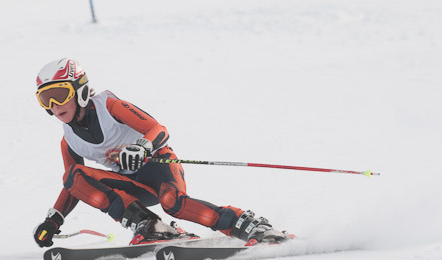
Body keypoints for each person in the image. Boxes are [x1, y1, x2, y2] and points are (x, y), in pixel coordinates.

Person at [33, 58, 289, 247]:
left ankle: (251, 226)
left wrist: (142, 146)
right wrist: (53, 220)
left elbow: (158, 129)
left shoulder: (108, 106)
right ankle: (151, 226)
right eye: (46, 100)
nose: (54, 106)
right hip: (133, 184)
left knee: (172, 203)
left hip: (159, 164)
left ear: (80, 90)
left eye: (59, 95)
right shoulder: (69, 141)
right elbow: (73, 185)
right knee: (73, 174)